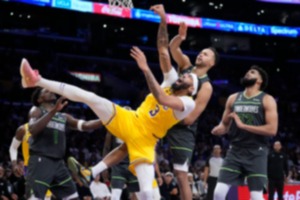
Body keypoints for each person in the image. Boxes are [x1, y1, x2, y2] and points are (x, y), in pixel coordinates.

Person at [19, 25, 198, 200]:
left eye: (188, 77)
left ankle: (92, 172)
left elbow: (162, 99)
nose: (183, 75)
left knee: (147, 194)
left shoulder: (188, 103)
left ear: (191, 89)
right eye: (184, 74)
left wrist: (145, 68)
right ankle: (36, 80)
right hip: (131, 119)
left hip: (146, 138)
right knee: (89, 97)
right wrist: (162, 18)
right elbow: (163, 49)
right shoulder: (172, 80)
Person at [15, 87, 103, 199]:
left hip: (58, 163)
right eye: (46, 91)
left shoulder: (63, 116)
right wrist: (53, 111)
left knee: (73, 197)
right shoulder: (36, 110)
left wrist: (105, 120)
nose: (51, 91)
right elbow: (32, 129)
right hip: (40, 161)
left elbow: (85, 125)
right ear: (39, 99)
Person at [166, 21, 219, 200]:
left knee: (181, 176)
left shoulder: (206, 86)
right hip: (163, 117)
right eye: (201, 52)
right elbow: (173, 49)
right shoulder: (186, 65)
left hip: (182, 129)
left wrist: (168, 115)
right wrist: (180, 38)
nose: (200, 55)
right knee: (141, 155)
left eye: (205, 54)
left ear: (211, 63)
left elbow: (190, 119)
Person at [211, 65, 278, 200]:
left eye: (252, 72)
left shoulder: (267, 99)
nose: (248, 73)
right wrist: (219, 129)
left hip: (257, 152)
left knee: (256, 197)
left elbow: (272, 130)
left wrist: (243, 125)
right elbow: (225, 124)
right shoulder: (233, 98)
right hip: (235, 151)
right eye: (247, 71)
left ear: (259, 81)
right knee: (218, 193)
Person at [9, 122, 53, 200]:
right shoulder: (23, 129)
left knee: (46, 197)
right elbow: (13, 148)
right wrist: (14, 164)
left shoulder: (50, 129)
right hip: (30, 169)